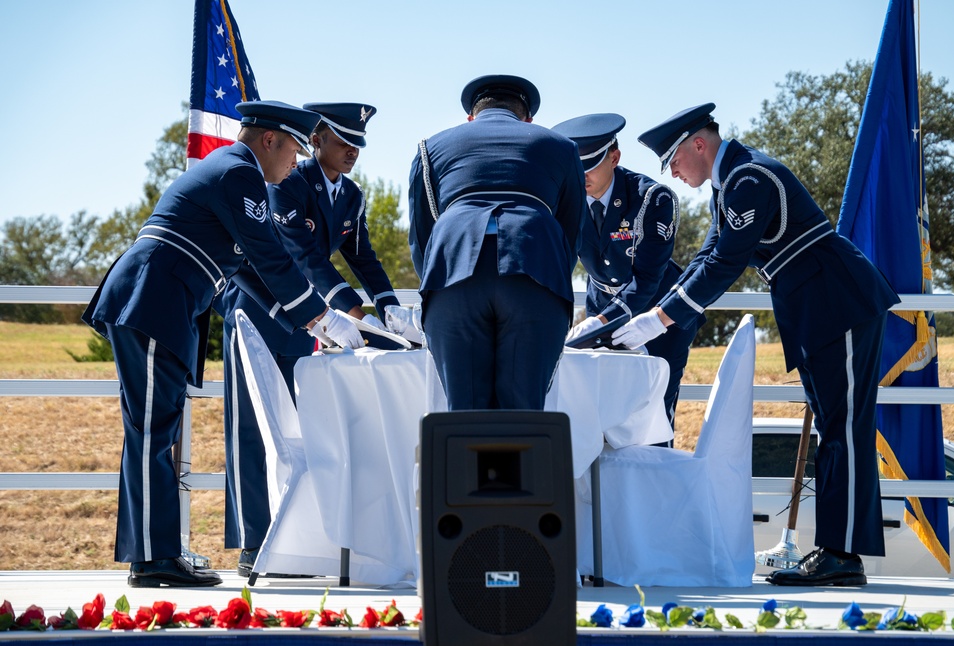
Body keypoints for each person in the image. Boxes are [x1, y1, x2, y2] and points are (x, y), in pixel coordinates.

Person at [614, 103, 900, 586]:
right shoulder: (727, 189)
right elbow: (705, 257)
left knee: (846, 428)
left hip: (839, 302)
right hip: (815, 310)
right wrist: (650, 313)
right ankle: (835, 550)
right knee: (836, 425)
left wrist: (660, 320)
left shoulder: (749, 179)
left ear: (698, 145)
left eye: (674, 161)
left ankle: (844, 555)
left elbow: (726, 264)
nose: (675, 173)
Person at [83, 101, 359, 588]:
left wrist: (314, 324)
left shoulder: (236, 174)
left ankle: (155, 551)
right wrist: (320, 314)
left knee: (157, 427)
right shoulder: (238, 171)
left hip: (163, 300)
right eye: (294, 148)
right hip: (153, 299)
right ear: (269, 140)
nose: (296, 161)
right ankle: (153, 558)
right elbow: (268, 255)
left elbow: (250, 272)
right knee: (154, 429)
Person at [216, 102, 401, 577]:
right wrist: (352, 311)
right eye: (343, 141)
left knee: (303, 429)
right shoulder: (288, 185)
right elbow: (302, 256)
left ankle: (298, 542)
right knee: (253, 428)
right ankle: (254, 543)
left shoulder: (352, 195)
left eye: (358, 144)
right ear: (316, 140)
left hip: (309, 321)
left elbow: (363, 256)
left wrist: (389, 303)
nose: (352, 152)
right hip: (261, 310)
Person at [408, 75, 587, 410]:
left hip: (452, 272)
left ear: (471, 118)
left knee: (463, 411)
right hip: (535, 266)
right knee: (524, 411)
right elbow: (571, 230)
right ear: (527, 119)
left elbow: (422, 237)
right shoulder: (562, 146)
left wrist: (441, 280)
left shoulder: (429, 147)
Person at [551, 113, 699, 441]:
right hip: (601, 311)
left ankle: (659, 489)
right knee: (600, 415)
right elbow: (557, 263)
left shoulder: (653, 199)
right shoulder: (566, 202)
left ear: (614, 158)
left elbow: (646, 278)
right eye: (575, 168)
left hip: (658, 318)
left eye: (589, 165)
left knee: (655, 419)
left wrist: (602, 319)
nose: (581, 175)